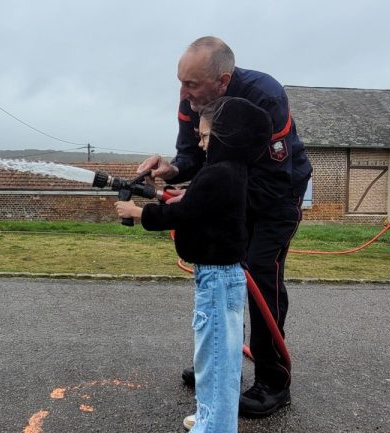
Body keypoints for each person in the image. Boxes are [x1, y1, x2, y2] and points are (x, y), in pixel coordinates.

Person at [137, 36, 312, 418]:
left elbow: (273, 179)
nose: (183, 94)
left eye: (192, 84)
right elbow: (193, 155)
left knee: (260, 274)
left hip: (276, 196)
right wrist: (174, 170)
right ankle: (219, 368)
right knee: (219, 275)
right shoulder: (191, 102)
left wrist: (204, 200)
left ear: (224, 80)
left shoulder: (265, 96)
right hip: (228, 191)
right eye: (181, 82)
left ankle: (273, 381)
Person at [116, 96, 272, 432]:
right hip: (218, 278)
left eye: (204, 137)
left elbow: (184, 212)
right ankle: (210, 417)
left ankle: (213, 427)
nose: (200, 145)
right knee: (215, 359)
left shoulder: (219, 174)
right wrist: (155, 194)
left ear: (227, 136)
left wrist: (138, 213)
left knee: (215, 360)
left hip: (216, 281)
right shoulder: (227, 172)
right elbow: (192, 201)